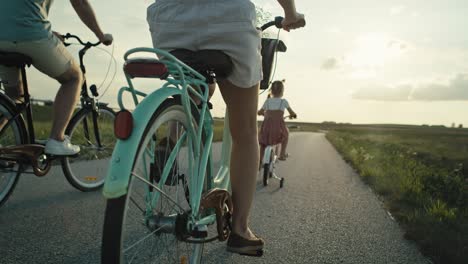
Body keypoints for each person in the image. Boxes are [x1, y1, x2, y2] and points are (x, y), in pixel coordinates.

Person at [147, 0, 305, 255]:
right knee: (244, 133)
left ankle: (173, 137)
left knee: (199, 84)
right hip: (228, 20)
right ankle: (240, 229)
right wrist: (290, 13)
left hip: (168, 23)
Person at [0, 0, 113, 156]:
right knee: (74, 78)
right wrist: (101, 35)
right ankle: (56, 139)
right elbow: (80, 3)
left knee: (14, 97)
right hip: (31, 35)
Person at [258, 80, 297, 164]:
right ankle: (282, 154)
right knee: (286, 134)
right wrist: (293, 115)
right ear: (282, 91)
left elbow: (260, 112)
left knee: (263, 143)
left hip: (267, 128)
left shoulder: (267, 101)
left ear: (271, 91)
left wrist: (263, 114)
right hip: (278, 128)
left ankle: (260, 160)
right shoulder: (284, 102)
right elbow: (291, 112)